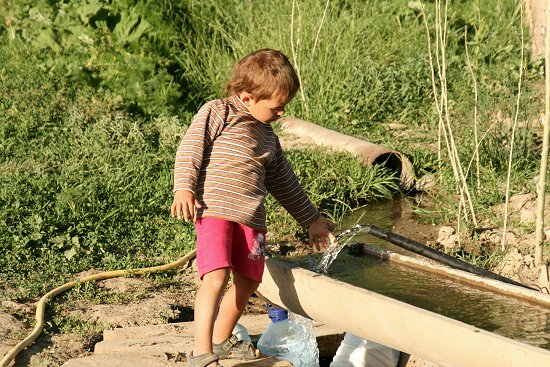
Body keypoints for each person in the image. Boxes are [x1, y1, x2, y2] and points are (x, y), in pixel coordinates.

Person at [170, 48, 335, 367]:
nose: (281, 113)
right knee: (215, 278)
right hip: (215, 211)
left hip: (252, 222)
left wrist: (312, 219)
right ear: (247, 97)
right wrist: (184, 188)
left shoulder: (269, 139)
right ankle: (201, 353)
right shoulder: (218, 112)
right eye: (276, 107)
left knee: (248, 281)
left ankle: (221, 339)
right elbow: (190, 149)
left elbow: (285, 183)